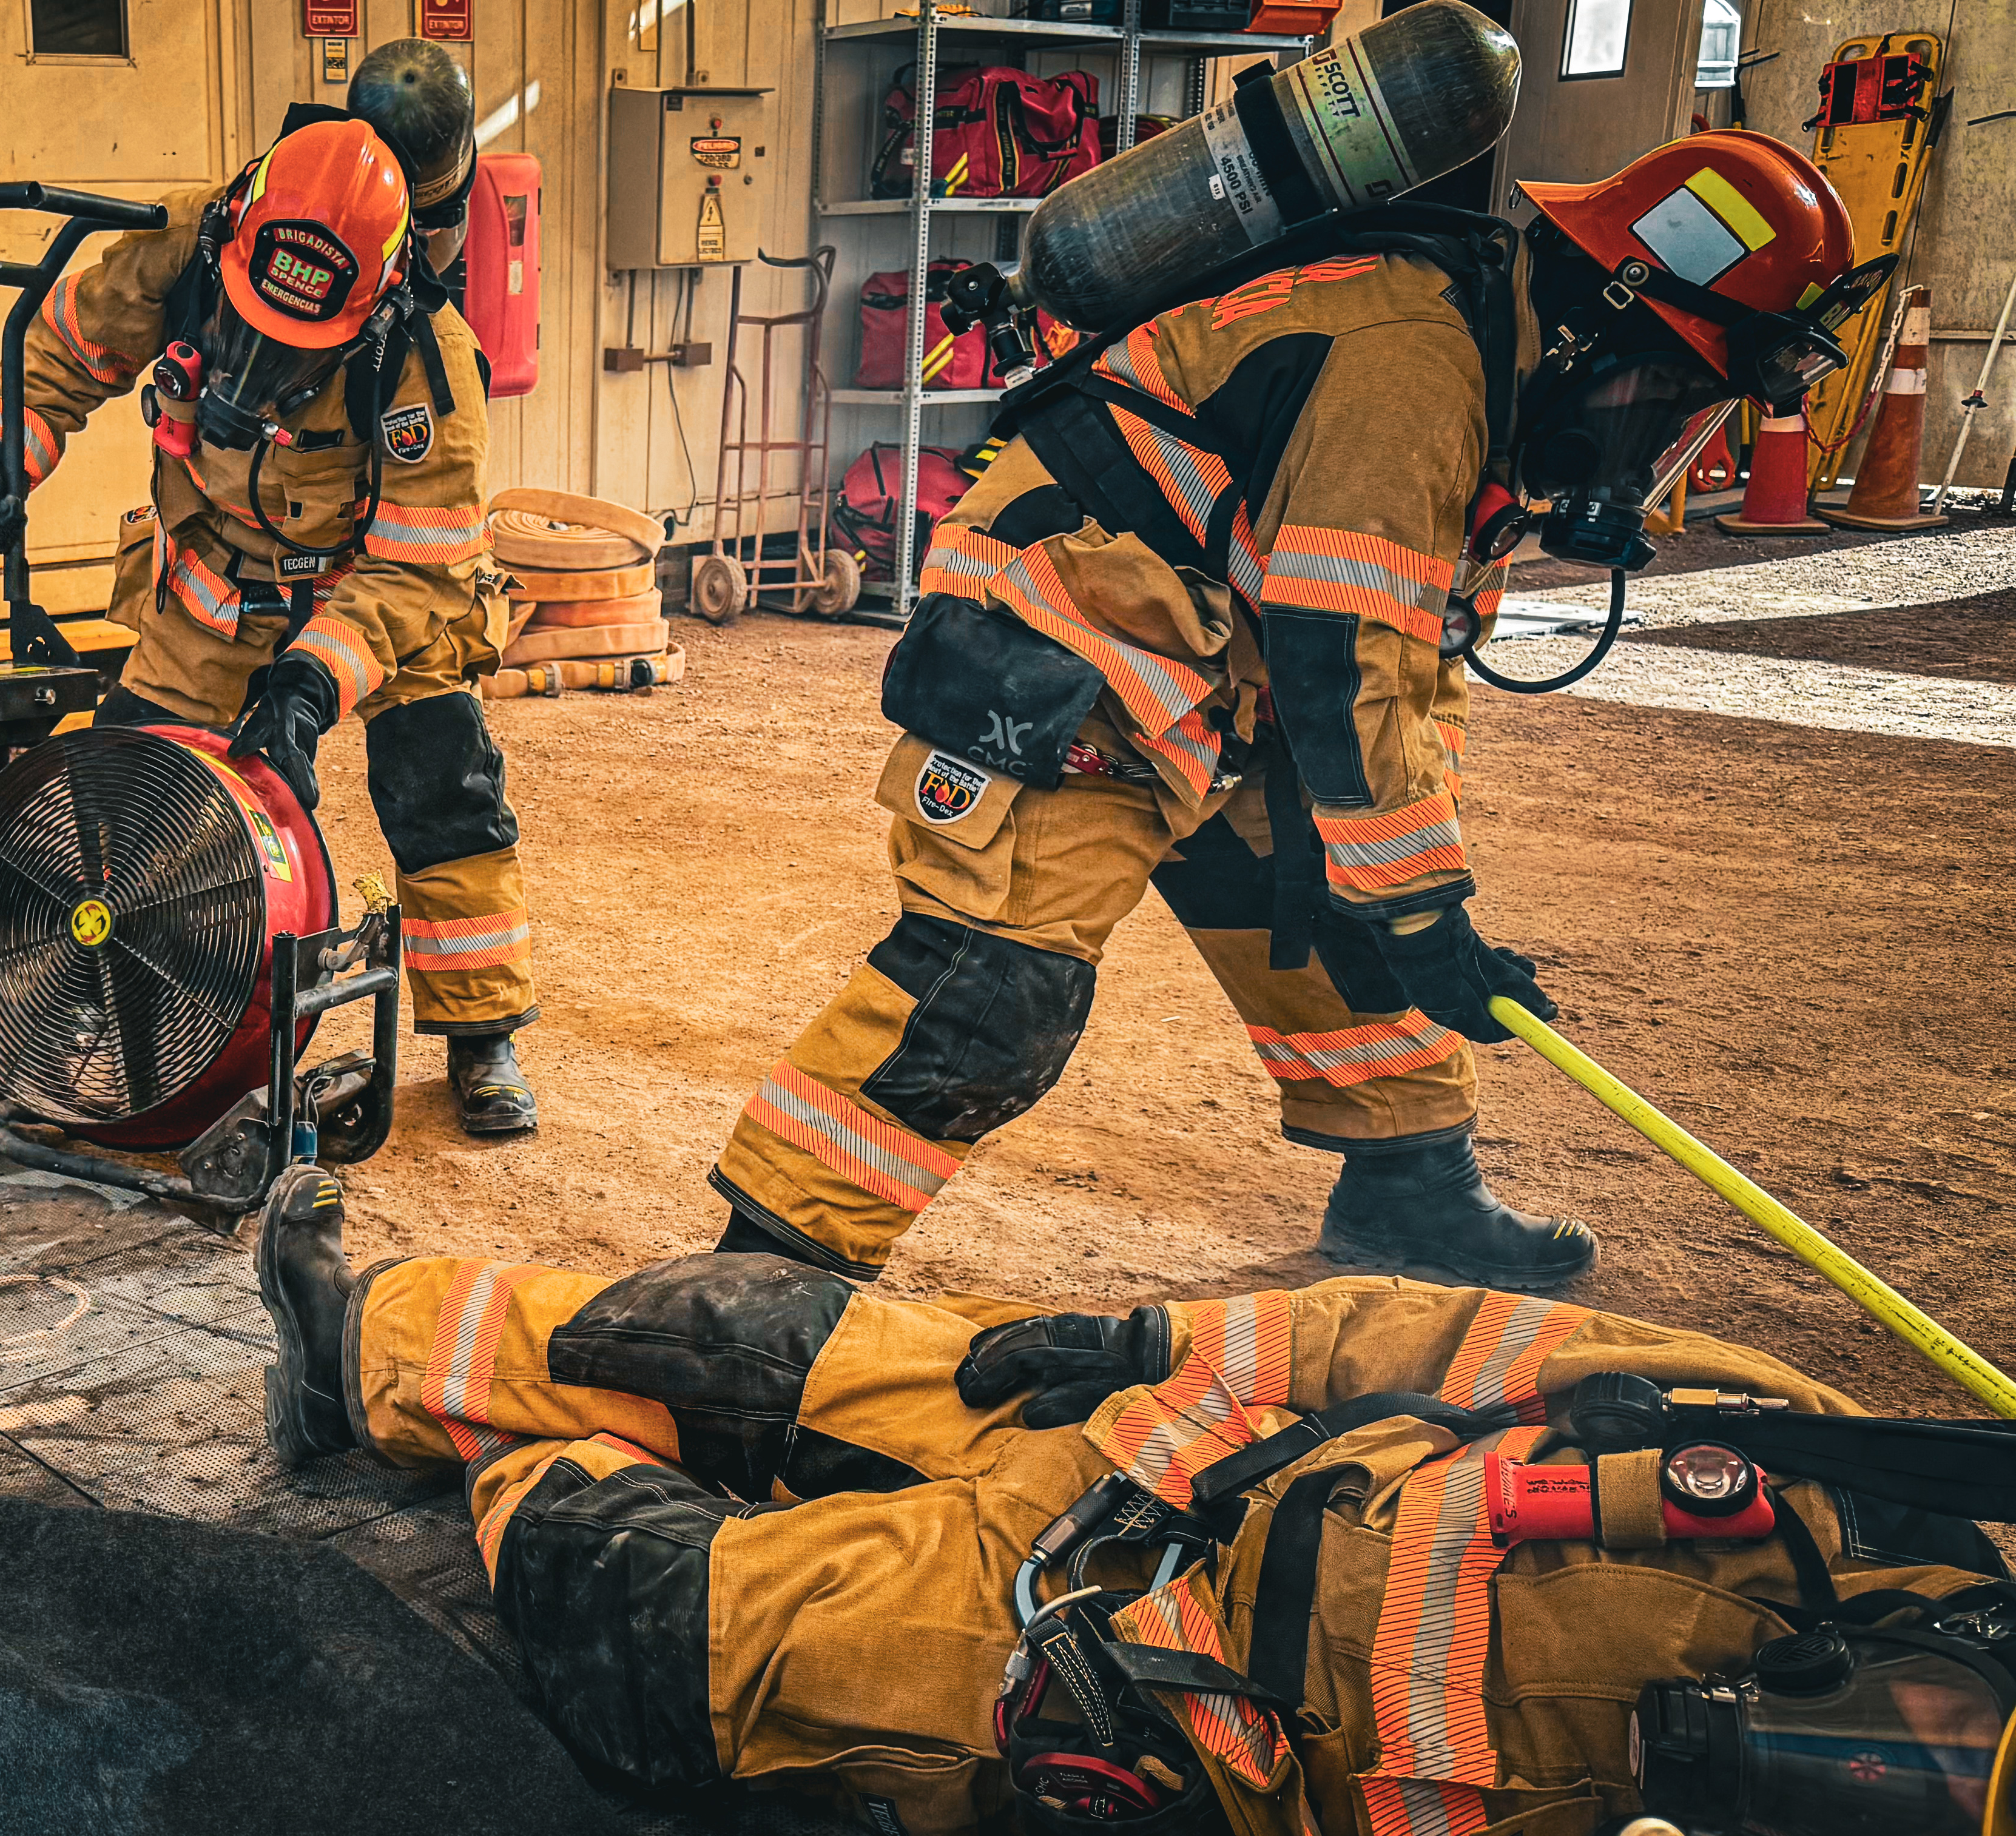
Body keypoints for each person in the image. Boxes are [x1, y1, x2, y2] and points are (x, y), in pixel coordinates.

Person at [251, 1160, 2014, 1836]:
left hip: (1099, 1705)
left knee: (639, 1611)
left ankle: (504, 1448)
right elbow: (1443, 1335)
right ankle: (358, 1349)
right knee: (742, 1331)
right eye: (1946, 1736)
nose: (1893, 1777)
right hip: (1165, 1448)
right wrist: (1149, 1337)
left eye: (1939, 1831)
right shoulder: (1836, 1474)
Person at [704, 132, 1892, 1290]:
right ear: (1605, 317)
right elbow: (1344, 653)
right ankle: (759, 1281)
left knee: (1348, 899)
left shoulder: (1496, 366)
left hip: (1222, 657)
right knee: (993, 991)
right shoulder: (1416, 363)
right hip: (1068, 636)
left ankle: (1410, 1190)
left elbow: (1412, 667)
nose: (1657, 433)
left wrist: (1418, 895)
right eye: (1668, 390)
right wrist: (1422, 905)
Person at [0, 59, 544, 1140]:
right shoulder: (188, 243)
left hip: (369, 596)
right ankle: (107, 1015)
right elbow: (65, 347)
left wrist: (309, 688)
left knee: (442, 789)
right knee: (125, 808)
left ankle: (481, 1032)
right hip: (213, 585)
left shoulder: (429, 361)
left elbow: (416, 569)